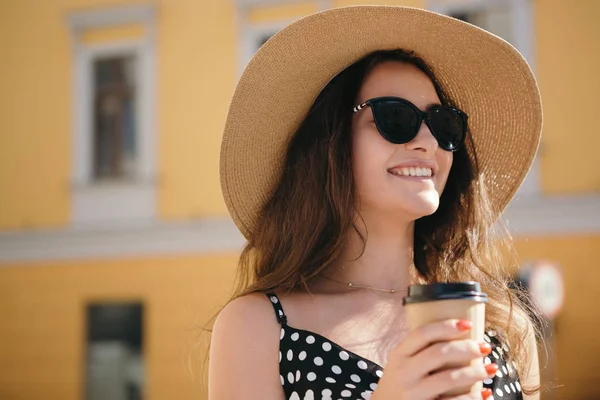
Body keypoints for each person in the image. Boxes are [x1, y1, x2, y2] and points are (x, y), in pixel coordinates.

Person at [209, 5, 543, 400]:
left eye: (444, 124)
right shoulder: (257, 326)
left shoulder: (503, 325)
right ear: (331, 144)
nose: (427, 142)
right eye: (396, 119)